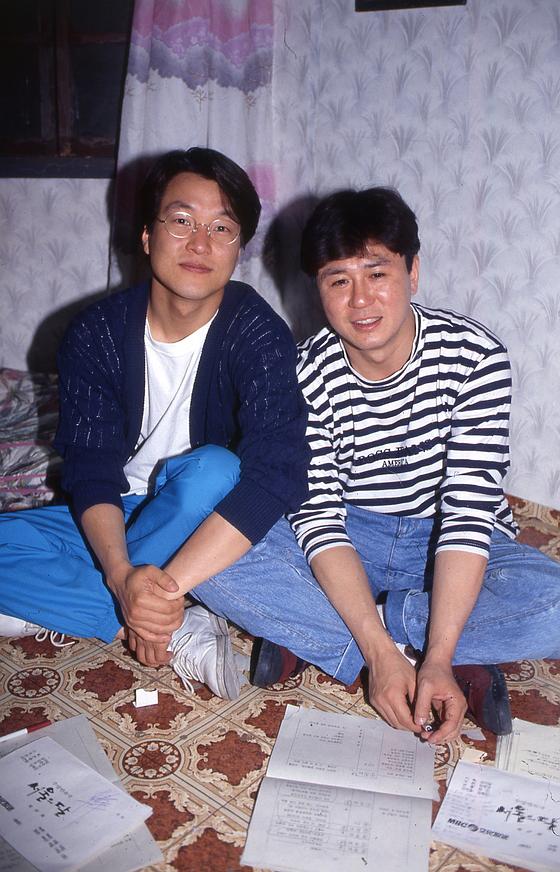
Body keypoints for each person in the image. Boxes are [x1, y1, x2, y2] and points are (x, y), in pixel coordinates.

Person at [179, 186, 560, 743]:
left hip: (445, 540)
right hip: (350, 538)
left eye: (377, 273)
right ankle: (403, 653)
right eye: (338, 280)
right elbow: (319, 521)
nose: (360, 300)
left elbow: (468, 513)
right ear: (318, 289)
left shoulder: (476, 357)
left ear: (413, 271)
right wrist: (383, 655)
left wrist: (435, 653)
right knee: (202, 547)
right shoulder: (302, 374)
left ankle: (336, 638)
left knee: (552, 603)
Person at [0, 147, 309, 700]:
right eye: (182, 220)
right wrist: (123, 579)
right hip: (117, 511)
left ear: (238, 249)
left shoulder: (258, 333)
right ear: (147, 235)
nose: (200, 243)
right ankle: (168, 620)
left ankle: (106, 600)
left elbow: (277, 474)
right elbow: (91, 472)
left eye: (221, 228)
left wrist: (139, 581)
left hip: (203, 518)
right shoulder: (95, 333)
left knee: (216, 469)